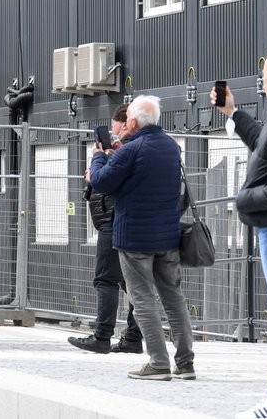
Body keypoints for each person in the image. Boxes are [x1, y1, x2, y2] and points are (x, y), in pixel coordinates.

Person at [89, 95, 195, 381]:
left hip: (135, 239)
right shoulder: (171, 146)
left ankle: (158, 363)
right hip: (168, 237)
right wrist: (118, 152)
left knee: (143, 299)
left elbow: (101, 181)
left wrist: (99, 155)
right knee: (174, 298)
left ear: (132, 122)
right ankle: (185, 363)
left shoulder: (129, 151)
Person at [215, 51, 267, 419]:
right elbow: (263, 143)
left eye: (264, 77)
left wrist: (240, 199)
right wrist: (233, 113)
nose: (263, 82)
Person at [68, 104, 143, 355]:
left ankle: (102, 336)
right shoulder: (135, 148)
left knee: (106, 278)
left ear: (124, 124)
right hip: (125, 221)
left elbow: (105, 181)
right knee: (130, 282)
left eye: (113, 125)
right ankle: (132, 337)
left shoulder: (128, 149)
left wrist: (98, 161)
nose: (111, 130)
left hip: (115, 221)